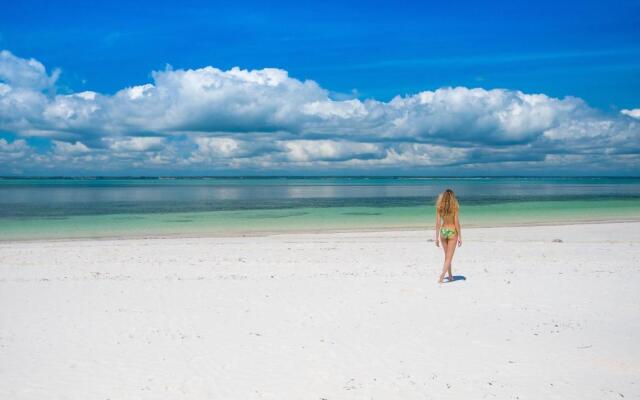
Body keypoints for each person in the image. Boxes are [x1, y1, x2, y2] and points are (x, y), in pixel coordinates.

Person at [435, 188, 462, 283]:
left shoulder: (439, 207)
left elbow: (438, 223)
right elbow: (457, 223)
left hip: (443, 231)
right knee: (449, 257)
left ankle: (450, 275)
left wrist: (436, 237)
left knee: (447, 256)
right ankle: (442, 276)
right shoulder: (455, 207)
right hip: (452, 232)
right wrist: (460, 237)